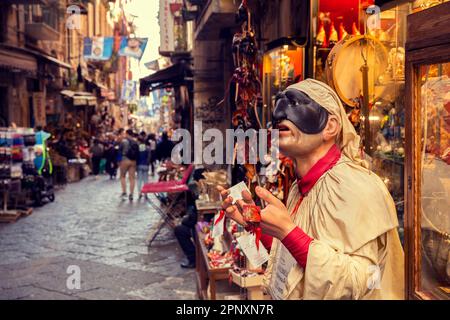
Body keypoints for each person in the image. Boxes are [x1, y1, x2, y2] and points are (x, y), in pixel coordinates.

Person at [218, 79, 404, 300]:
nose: (279, 115)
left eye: (295, 104)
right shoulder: (301, 187)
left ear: (330, 126)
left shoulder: (354, 186)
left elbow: (363, 282)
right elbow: (295, 265)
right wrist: (260, 226)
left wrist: (288, 232)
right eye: (279, 106)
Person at [118, 129, 139, 201]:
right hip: (133, 161)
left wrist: (118, 161)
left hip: (125, 160)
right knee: (132, 178)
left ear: (127, 134)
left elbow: (119, 151)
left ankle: (124, 192)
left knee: (122, 176)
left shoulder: (124, 141)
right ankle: (131, 194)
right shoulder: (136, 142)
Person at [137, 134, 151, 200]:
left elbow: (137, 157)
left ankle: (140, 193)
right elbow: (149, 157)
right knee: (146, 180)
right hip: (145, 165)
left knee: (139, 180)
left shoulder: (138, 147)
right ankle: (145, 193)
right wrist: (147, 163)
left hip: (139, 165)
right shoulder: (147, 148)